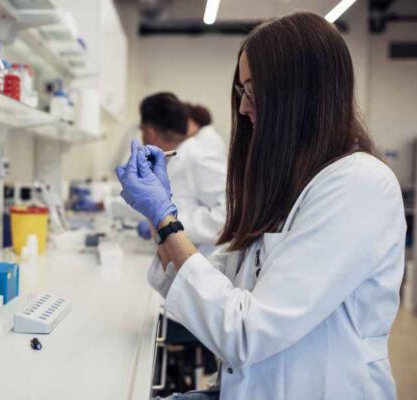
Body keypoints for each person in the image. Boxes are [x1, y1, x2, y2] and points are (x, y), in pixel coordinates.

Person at [116, 12, 405, 400]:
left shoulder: (359, 186)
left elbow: (246, 331)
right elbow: (221, 278)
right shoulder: (291, 184)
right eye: (242, 91)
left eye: (253, 91)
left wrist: (165, 218)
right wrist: (161, 217)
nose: (243, 109)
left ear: (298, 94)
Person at [137, 94, 227, 256]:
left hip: (204, 264)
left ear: (150, 133)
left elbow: (226, 217)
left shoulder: (200, 158)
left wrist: (167, 225)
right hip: (179, 261)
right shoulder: (171, 159)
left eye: (142, 131)